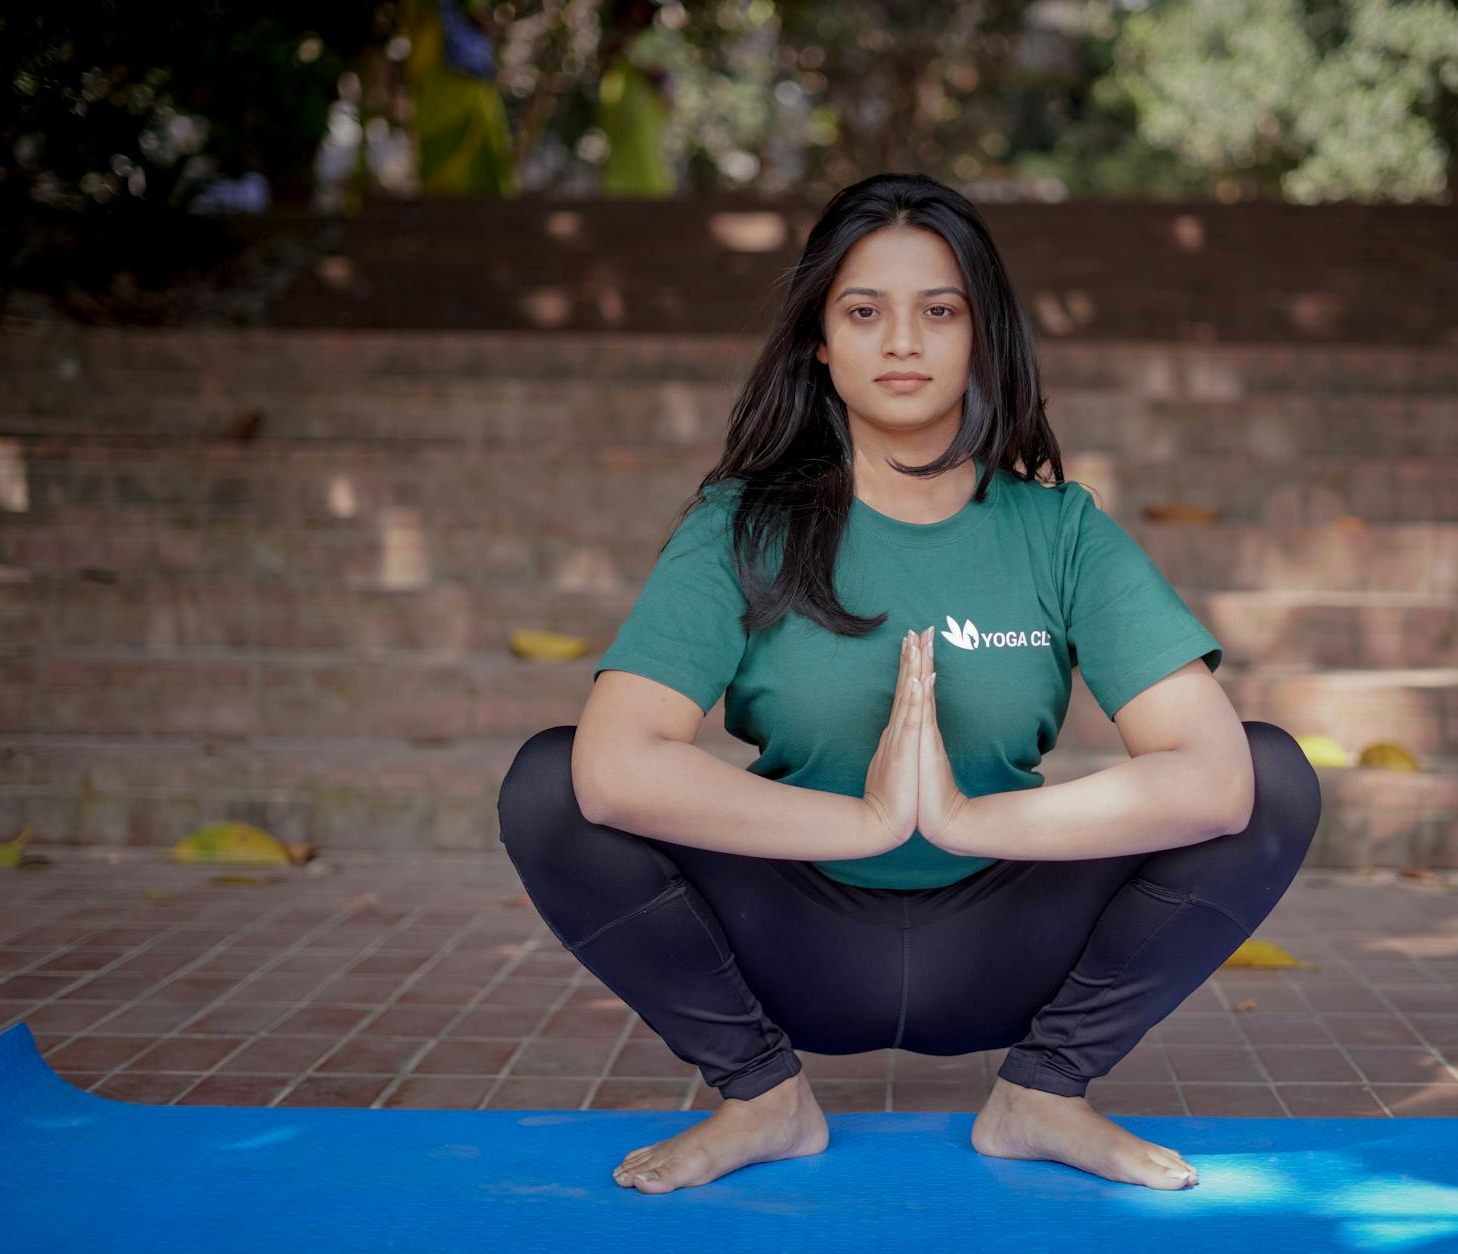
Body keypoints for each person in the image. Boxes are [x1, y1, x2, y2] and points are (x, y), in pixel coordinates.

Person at [497, 172, 1322, 1196]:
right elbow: (615, 767)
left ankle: (1044, 1093)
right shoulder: (739, 526)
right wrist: (870, 822)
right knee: (550, 782)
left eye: (938, 311)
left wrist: (966, 821)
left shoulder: (1058, 531)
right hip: (792, 940)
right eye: (863, 311)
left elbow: (1212, 780)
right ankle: (761, 1097)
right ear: (819, 340)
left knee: (1271, 775)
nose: (900, 342)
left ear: (981, 336)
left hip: (1007, 942)